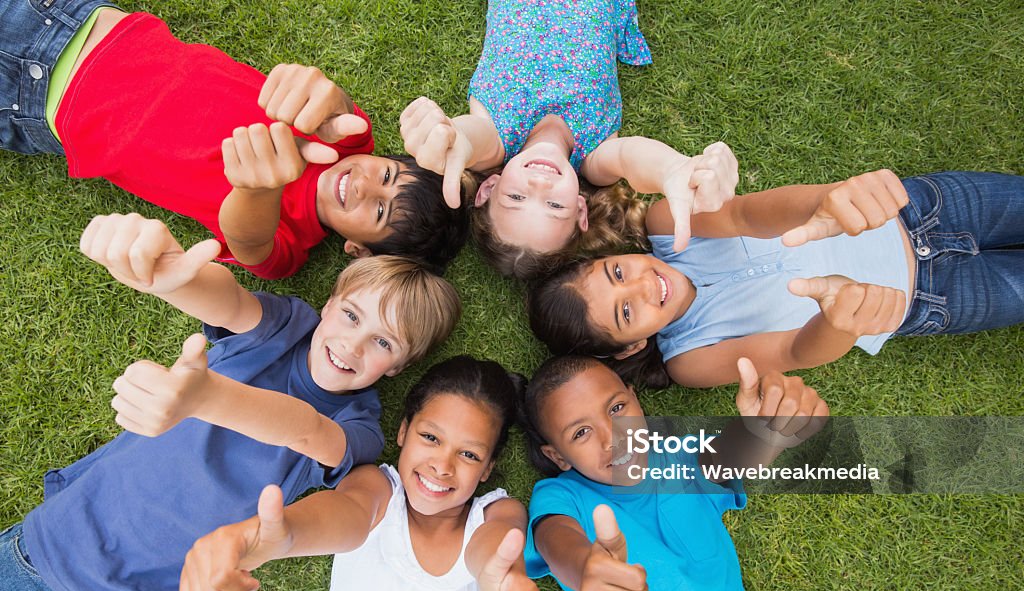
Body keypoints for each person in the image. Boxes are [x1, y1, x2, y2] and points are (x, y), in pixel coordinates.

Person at [0, 213, 460, 591]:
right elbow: (227, 302)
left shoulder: (359, 425)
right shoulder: (285, 326)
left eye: (382, 342)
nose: (353, 344)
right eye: (350, 315)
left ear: (399, 367)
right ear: (328, 304)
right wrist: (171, 278)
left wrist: (210, 399)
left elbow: (306, 431)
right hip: (46, 560)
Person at [0, 2, 466, 278]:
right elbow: (338, 107)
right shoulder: (348, 141)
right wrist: (322, 94)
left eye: (379, 210)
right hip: (71, 19)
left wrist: (258, 189)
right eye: (386, 174)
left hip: (32, 104)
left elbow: (248, 242)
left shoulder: (288, 244)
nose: (366, 185)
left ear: (358, 250)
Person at [179, 356, 553, 591]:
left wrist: (508, 586)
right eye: (431, 437)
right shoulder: (378, 490)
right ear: (403, 430)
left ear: (488, 468)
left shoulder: (497, 514)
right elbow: (345, 515)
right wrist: (275, 537)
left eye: (469, 455)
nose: (443, 465)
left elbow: (495, 555)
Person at [527, 169, 1024, 388]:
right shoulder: (690, 361)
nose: (641, 285)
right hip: (930, 299)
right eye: (627, 312)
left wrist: (823, 202)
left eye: (618, 272)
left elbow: (747, 216)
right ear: (630, 348)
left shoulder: (667, 226)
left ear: (613, 254)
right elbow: (793, 354)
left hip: (915, 209)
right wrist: (841, 323)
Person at [521, 354, 828, 591]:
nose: (611, 437)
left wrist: (767, 427)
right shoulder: (562, 495)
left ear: (635, 398)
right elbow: (554, 539)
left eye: (616, 409)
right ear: (558, 457)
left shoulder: (681, 458)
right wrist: (587, 569)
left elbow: (732, 457)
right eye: (581, 432)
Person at [398, 0, 738, 279]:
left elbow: (470, 141)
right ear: (579, 210)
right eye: (554, 206)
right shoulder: (595, 158)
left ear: (490, 188)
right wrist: (671, 169)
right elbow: (632, 157)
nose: (539, 186)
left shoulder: (495, 139)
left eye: (516, 196)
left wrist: (455, 140)